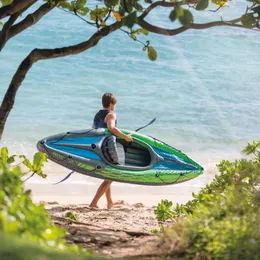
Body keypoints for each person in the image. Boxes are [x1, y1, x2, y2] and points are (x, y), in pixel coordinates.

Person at [89, 93, 132, 209]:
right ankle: (93, 203)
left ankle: (109, 202)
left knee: (108, 175)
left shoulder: (98, 115)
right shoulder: (111, 115)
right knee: (111, 175)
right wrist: (125, 137)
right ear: (112, 104)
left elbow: (94, 128)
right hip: (108, 147)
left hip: (99, 146)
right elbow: (111, 128)